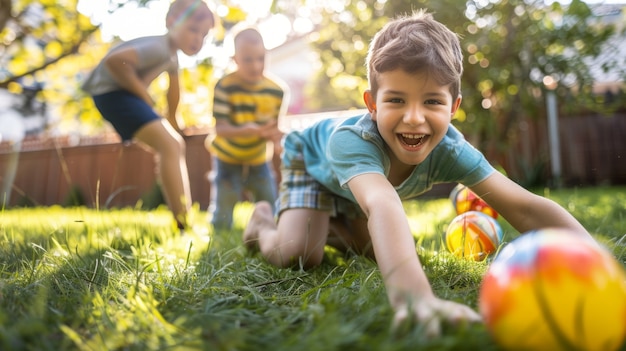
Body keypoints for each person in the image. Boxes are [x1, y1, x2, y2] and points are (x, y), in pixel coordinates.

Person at [243, 10, 592, 336]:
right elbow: (382, 203)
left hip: (358, 191)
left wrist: (594, 259)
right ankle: (262, 222)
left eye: (432, 102)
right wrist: (415, 297)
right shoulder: (351, 141)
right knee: (301, 253)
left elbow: (526, 207)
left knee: (375, 250)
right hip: (314, 165)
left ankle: (334, 225)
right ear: (372, 103)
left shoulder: (451, 151)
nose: (414, 117)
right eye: (396, 100)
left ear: (454, 107)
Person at [81, 0, 215, 231]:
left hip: (118, 94)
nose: (197, 39)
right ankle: (184, 223)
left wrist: (175, 122)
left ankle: (183, 221)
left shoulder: (171, 57)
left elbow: (173, 96)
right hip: (112, 93)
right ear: (171, 22)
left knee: (172, 143)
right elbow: (115, 62)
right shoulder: (159, 47)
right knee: (171, 146)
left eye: (203, 34)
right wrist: (144, 96)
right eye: (193, 29)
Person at [206, 27, 288, 230]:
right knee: (223, 213)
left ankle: (270, 235)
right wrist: (247, 129)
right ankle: (219, 238)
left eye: (260, 58)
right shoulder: (225, 86)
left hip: (259, 158)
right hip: (227, 156)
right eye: (248, 59)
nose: (255, 65)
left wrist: (278, 142)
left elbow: (274, 129)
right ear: (235, 59)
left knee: (270, 207)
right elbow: (221, 129)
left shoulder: (276, 90)